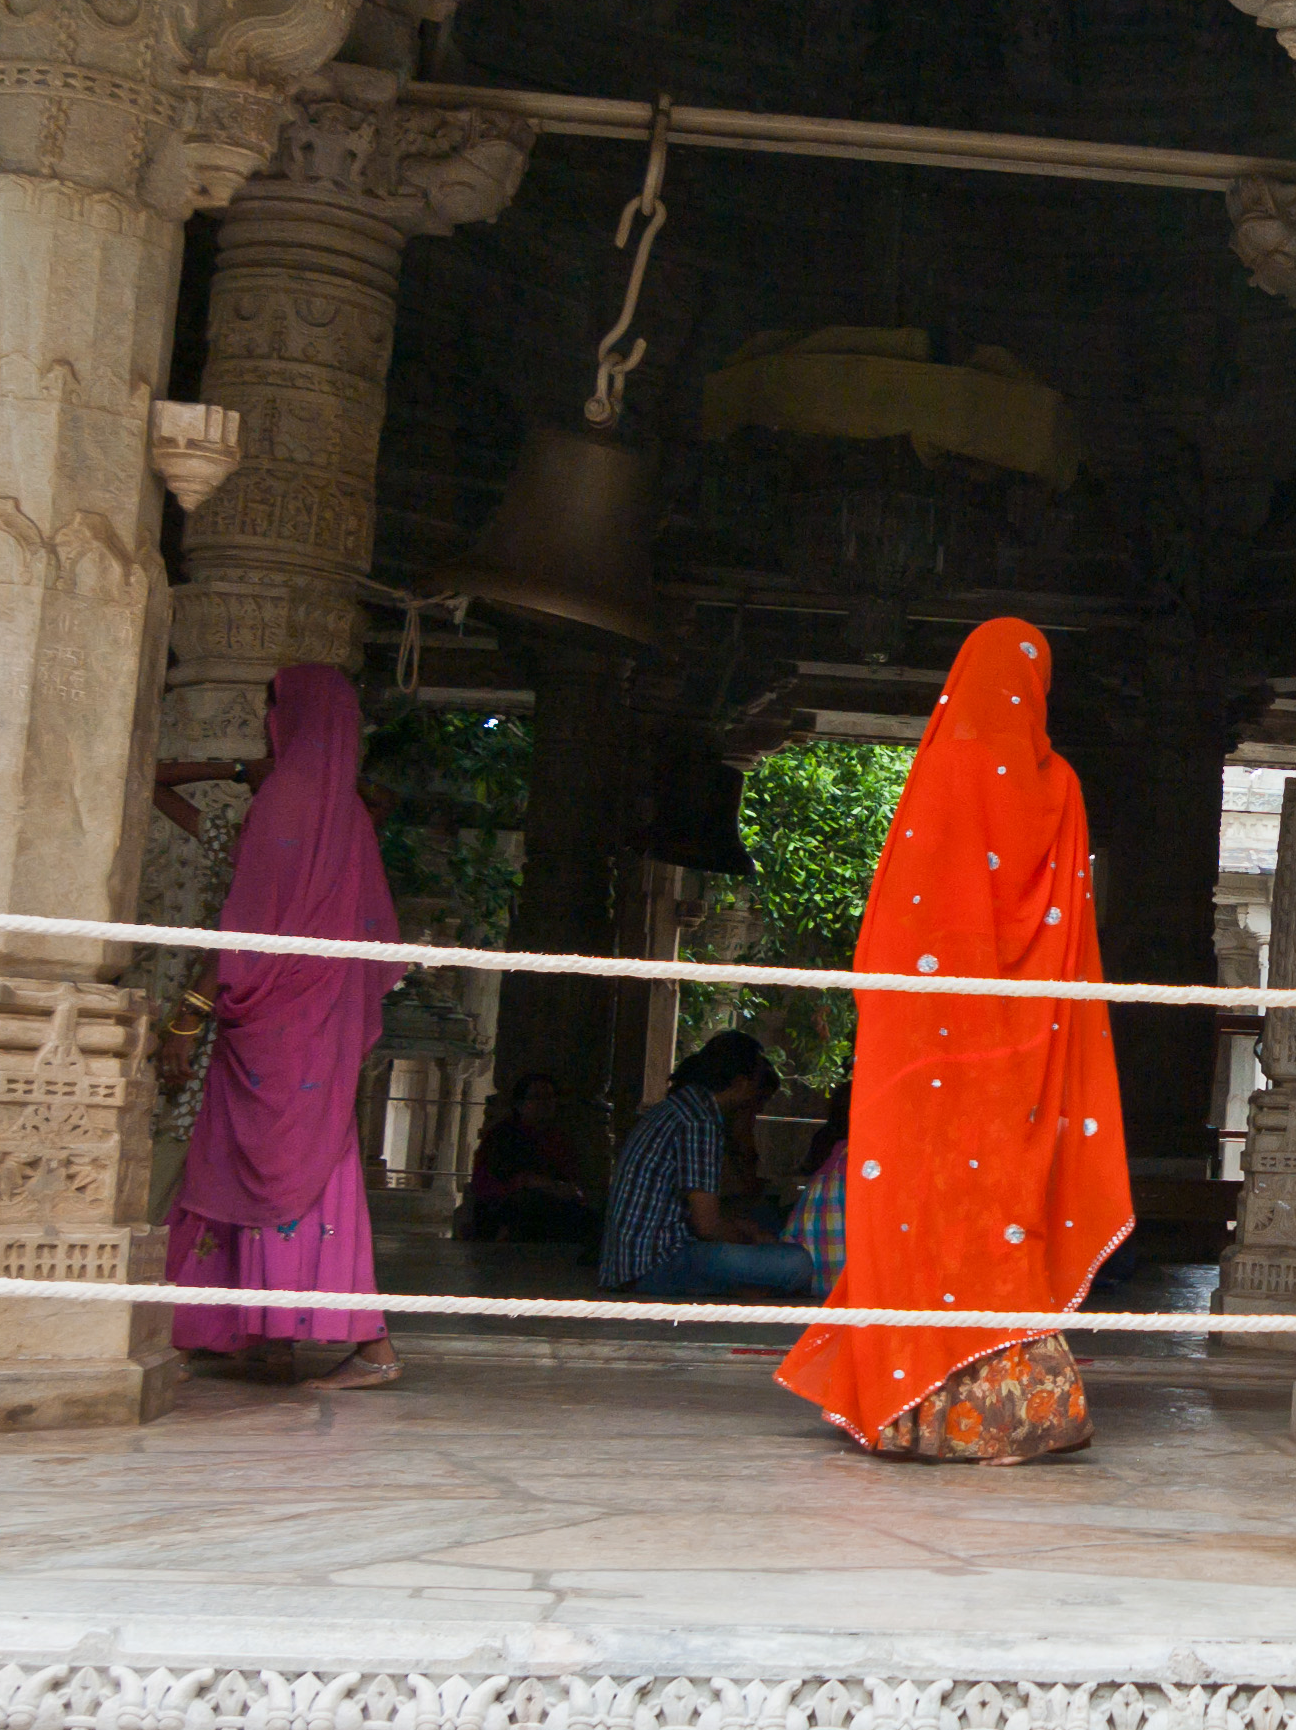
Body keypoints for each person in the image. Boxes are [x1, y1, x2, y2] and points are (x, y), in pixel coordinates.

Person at [778, 617, 1136, 1463]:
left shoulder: (939, 773)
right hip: (1025, 1053)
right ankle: (996, 1402)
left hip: (928, 1053)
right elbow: (1073, 934)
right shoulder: (1065, 790)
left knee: (921, 1211)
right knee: (1005, 1215)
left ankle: (913, 1406)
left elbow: (892, 936)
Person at [162, 664, 407, 1390]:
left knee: (282, 1173)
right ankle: (262, 1332)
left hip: (266, 1023)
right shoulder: (346, 815)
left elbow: (252, 931)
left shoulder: (284, 802)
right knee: (309, 1166)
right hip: (317, 1026)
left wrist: (190, 1014)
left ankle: (371, 1344)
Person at [601, 1031, 821, 1299]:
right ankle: (745, 1288)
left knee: (764, 1227)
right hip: (653, 1265)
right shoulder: (699, 1120)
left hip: (638, 1262)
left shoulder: (682, 1108)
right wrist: (753, 1240)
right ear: (741, 1083)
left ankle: (744, 1289)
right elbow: (707, 1225)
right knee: (795, 1264)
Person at [468, 1072, 599, 1248]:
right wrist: (529, 1182)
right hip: (508, 1206)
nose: (545, 1103)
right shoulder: (502, 1137)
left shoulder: (557, 1138)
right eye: (536, 1097)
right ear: (520, 1105)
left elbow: (570, 1175)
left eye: (550, 1097)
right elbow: (486, 1183)